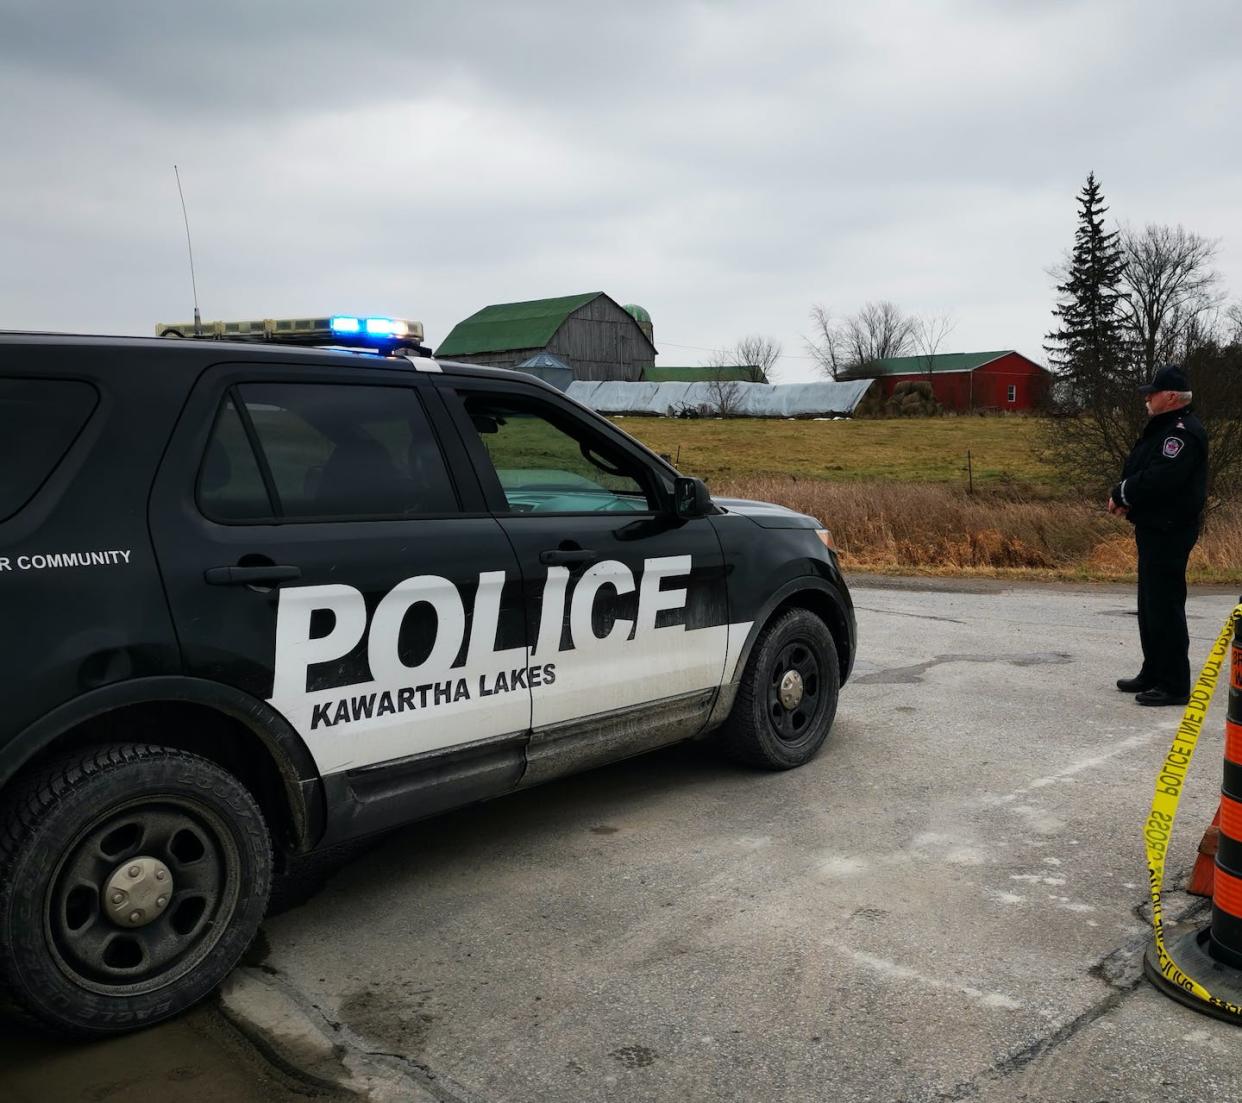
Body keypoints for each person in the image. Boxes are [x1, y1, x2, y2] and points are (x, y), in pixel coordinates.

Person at [1108, 364, 1208, 706]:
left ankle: (1175, 683)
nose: (1146, 398)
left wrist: (1125, 493)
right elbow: (1140, 467)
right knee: (1149, 604)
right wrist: (1124, 494)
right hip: (1153, 526)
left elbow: (1162, 478)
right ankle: (1154, 670)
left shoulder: (1182, 433)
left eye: (1152, 392)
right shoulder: (1161, 427)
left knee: (1165, 604)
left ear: (1170, 397)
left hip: (1170, 529)